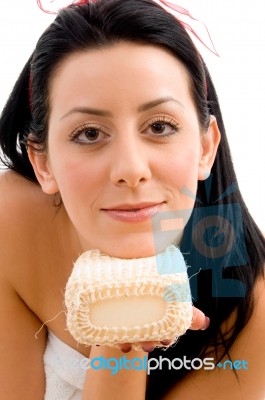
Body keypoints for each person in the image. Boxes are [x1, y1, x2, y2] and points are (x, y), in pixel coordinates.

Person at [0, 0, 264, 399]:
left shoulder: (251, 318)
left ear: (206, 148)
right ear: (43, 163)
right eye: (89, 133)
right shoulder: (9, 223)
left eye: (159, 126)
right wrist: (121, 327)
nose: (130, 168)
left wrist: (126, 347)